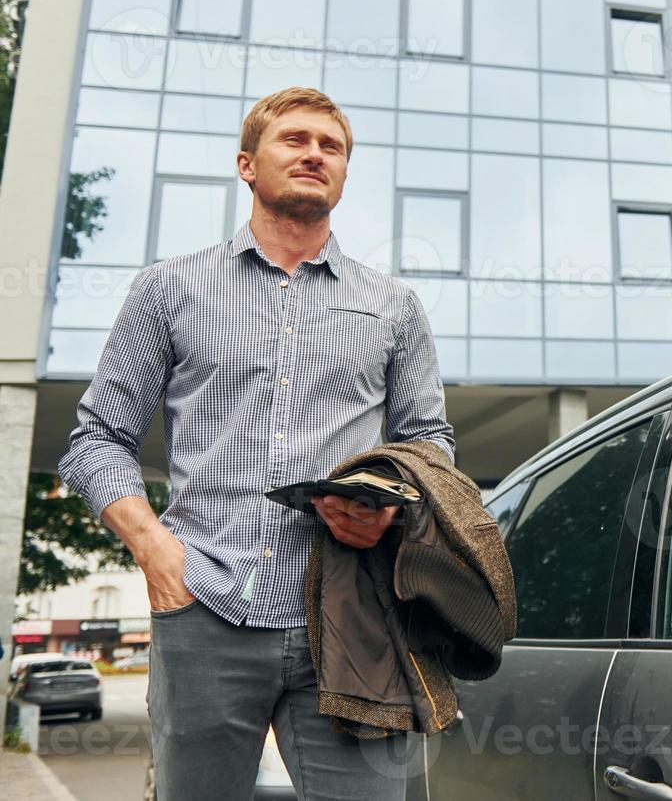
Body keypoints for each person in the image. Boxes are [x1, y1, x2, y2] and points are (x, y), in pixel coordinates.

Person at [58, 87, 455, 801]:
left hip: (349, 616)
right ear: (246, 164)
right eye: (294, 140)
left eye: (331, 147)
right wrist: (154, 552)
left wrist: (392, 507)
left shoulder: (393, 306)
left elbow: (429, 441)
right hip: (204, 603)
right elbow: (97, 440)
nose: (314, 154)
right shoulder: (168, 290)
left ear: (342, 173)